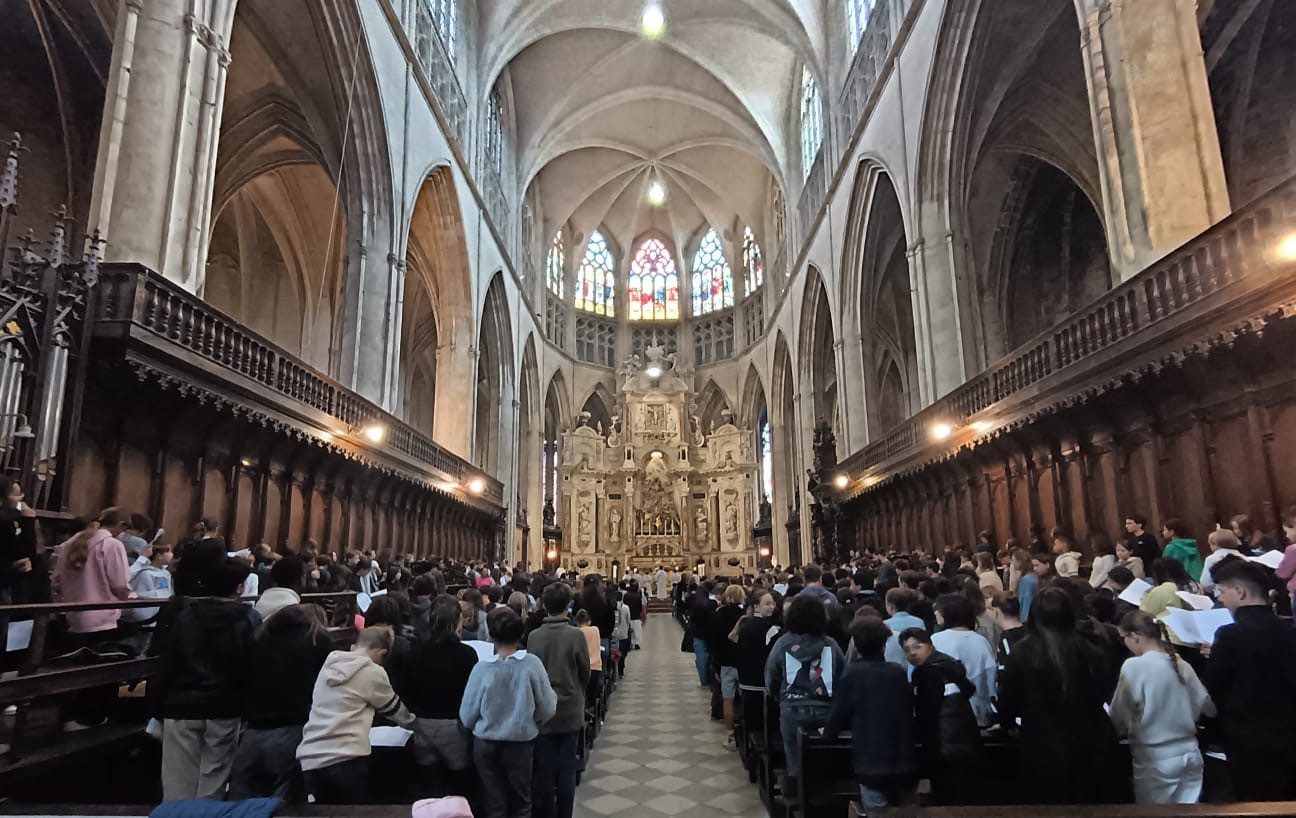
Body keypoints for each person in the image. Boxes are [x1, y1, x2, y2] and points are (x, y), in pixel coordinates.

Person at [998, 587, 1121, 804]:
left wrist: (1008, 723)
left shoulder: (1022, 651)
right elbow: (1105, 689)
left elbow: (1008, 699)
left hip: (1043, 743)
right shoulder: (1091, 648)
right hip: (1091, 740)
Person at [154, 557, 257, 801]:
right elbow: (251, 666)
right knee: (215, 776)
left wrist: (156, 705)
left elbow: (168, 662)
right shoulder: (248, 619)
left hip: (181, 703)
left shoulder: (185, 616)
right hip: (225, 704)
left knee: (177, 778)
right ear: (240, 588)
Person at [1200, 558, 1296, 801]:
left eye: (1222, 591)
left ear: (1240, 591)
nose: (1219, 598)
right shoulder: (1289, 631)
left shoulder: (1230, 635)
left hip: (1248, 739)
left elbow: (1214, 686)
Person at [297, 625, 416, 804]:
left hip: (311, 756)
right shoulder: (372, 671)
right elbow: (394, 710)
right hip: (346, 756)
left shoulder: (331, 663)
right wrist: (416, 724)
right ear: (380, 652)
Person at [459, 607, 558, 818]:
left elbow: (467, 714)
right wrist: (533, 722)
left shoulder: (482, 669)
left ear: (491, 635)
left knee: (494, 802)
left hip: (486, 744)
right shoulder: (532, 665)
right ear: (521, 634)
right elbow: (548, 706)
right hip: (520, 743)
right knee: (522, 802)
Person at [229, 604, 333, 802]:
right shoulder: (317, 640)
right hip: (295, 728)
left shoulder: (258, 639)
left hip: (254, 730)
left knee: (242, 799)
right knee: (286, 802)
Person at [1110, 611, 1214, 804]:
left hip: (1154, 759)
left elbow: (1119, 715)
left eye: (1123, 638)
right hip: (1190, 753)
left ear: (1135, 637)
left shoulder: (1133, 666)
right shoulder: (1182, 664)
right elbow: (1208, 707)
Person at [823, 618, 918, 808]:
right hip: (904, 758)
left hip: (871, 761)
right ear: (884, 646)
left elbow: (839, 713)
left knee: (876, 810)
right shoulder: (898, 672)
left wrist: (828, 734)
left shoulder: (853, 674)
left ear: (855, 646)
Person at [398, 596, 478, 798]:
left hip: (422, 724)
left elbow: (405, 689)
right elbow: (471, 694)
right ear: (458, 620)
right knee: (460, 788)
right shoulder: (466, 654)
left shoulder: (414, 651)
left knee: (431, 788)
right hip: (454, 725)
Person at [764, 593, 845, 790]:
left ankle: (799, 792)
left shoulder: (783, 643)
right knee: (826, 758)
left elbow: (771, 675)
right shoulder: (830, 644)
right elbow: (842, 676)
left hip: (793, 708)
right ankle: (827, 793)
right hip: (826, 708)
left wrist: (778, 695)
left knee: (794, 758)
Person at [528, 583, 590, 818]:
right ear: (568, 606)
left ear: (544, 605)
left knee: (544, 769)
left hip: (542, 710)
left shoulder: (534, 637)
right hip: (569, 709)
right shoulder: (575, 635)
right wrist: (576, 691)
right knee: (566, 769)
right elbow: (585, 671)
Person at [900, 628, 982, 805]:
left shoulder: (927, 673)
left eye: (917, 647)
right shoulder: (950, 665)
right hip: (965, 740)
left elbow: (926, 713)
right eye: (906, 650)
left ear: (929, 646)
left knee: (945, 797)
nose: (912, 653)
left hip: (943, 744)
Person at [52, 508, 135, 639]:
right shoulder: (112, 545)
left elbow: (57, 581)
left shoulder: (70, 544)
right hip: (102, 618)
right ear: (121, 525)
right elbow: (120, 585)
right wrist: (131, 596)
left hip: (73, 615)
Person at [931, 594, 997, 727]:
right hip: (977, 711)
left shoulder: (935, 640)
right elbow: (990, 679)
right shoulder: (981, 641)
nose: (936, 612)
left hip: (945, 712)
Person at [882, 588, 924, 667]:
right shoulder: (919, 621)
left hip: (894, 664)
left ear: (891, 606)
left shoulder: (885, 625)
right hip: (916, 663)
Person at [1200, 528, 1242, 593]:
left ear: (1214, 544)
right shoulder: (1243, 557)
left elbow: (1205, 583)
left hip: (1222, 593)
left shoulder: (1211, 559)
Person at [575, 609, 603, 706]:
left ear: (577, 622)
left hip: (582, 668)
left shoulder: (577, 632)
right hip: (596, 666)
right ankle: (593, 714)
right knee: (592, 695)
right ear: (589, 621)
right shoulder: (595, 630)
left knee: (582, 694)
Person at [1011, 548, 1037, 621]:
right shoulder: (1032, 575)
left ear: (1019, 562)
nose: (1012, 563)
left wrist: (1024, 620)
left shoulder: (1026, 580)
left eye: (1013, 560)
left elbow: (1026, 601)